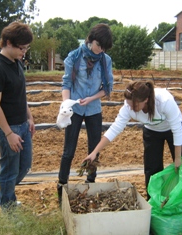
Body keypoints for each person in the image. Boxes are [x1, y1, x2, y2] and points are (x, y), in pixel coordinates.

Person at [83, 81, 182, 200]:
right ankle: (153, 202)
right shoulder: (129, 106)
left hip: (172, 129)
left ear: (146, 100)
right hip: (152, 132)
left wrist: (178, 158)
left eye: (134, 105)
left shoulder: (164, 101)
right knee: (152, 168)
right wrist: (94, 152)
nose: (131, 108)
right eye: (128, 105)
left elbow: (177, 129)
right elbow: (115, 128)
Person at [57, 23, 113, 204]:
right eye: (98, 45)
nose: (100, 50)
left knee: (94, 149)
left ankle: (90, 182)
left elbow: (107, 88)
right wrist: (66, 104)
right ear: (90, 40)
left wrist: (92, 98)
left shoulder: (105, 60)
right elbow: (66, 84)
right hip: (75, 109)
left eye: (104, 48)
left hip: (94, 109)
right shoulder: (74, 57)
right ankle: (62, 185)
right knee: (69, 149)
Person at [0, 21, 35, 211]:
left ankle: (3, 197)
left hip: (22, 124)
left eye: (26, 48)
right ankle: (8, 207)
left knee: (24, 167)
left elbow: (21, 94)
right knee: (10, 169)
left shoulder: (17, 62)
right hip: (8, 129)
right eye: (21, 48)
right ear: (7, 43)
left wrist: (29, 117)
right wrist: (8, 133)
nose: (24, 52)